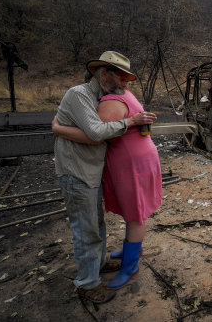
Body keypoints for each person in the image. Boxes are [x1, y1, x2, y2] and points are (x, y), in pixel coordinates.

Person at [53, 51, 162, 292]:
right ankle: (89, 283)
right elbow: (96, 133)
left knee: (109, 220)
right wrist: (58, 129)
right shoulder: (82, 95)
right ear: (104, 74)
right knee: (88, 226)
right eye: (122, 77)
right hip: (79, 169)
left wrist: (58, 128)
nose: (126, 83)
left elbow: (96, 135)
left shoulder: (111, 97)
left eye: (127, 79)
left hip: (109, 166)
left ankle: (119, 264)